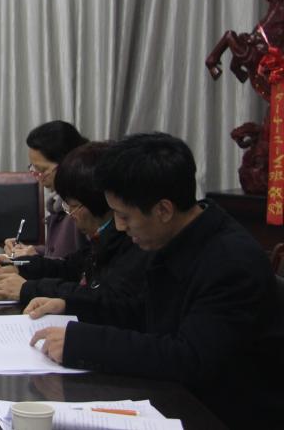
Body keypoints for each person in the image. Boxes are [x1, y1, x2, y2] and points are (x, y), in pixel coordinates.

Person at [27, 132, 282, 427]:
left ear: (163, 210)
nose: (119, 227)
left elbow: (188, 357)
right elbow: (142, 310)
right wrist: (68, 305)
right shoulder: (178, 237)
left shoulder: (230, 262)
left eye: (125, 216)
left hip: (224, 414)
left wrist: (82, 343)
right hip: (178, 398)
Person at [0, 141, 148, 306]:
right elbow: (70, 267)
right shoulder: (104, 237)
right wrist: (20, 266)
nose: (70, 215)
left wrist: (29, 289)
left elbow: (106, 299)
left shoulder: (135, 241)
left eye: (73, 206)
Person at [4, 120, 88, 259]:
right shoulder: (59, 203)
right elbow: (61, 253)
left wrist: (36, 259)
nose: (38, 177)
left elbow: (79, 265)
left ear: (67, 163)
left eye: (42, 170)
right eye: (33, 168)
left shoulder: (80, 208)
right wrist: (32, 251)